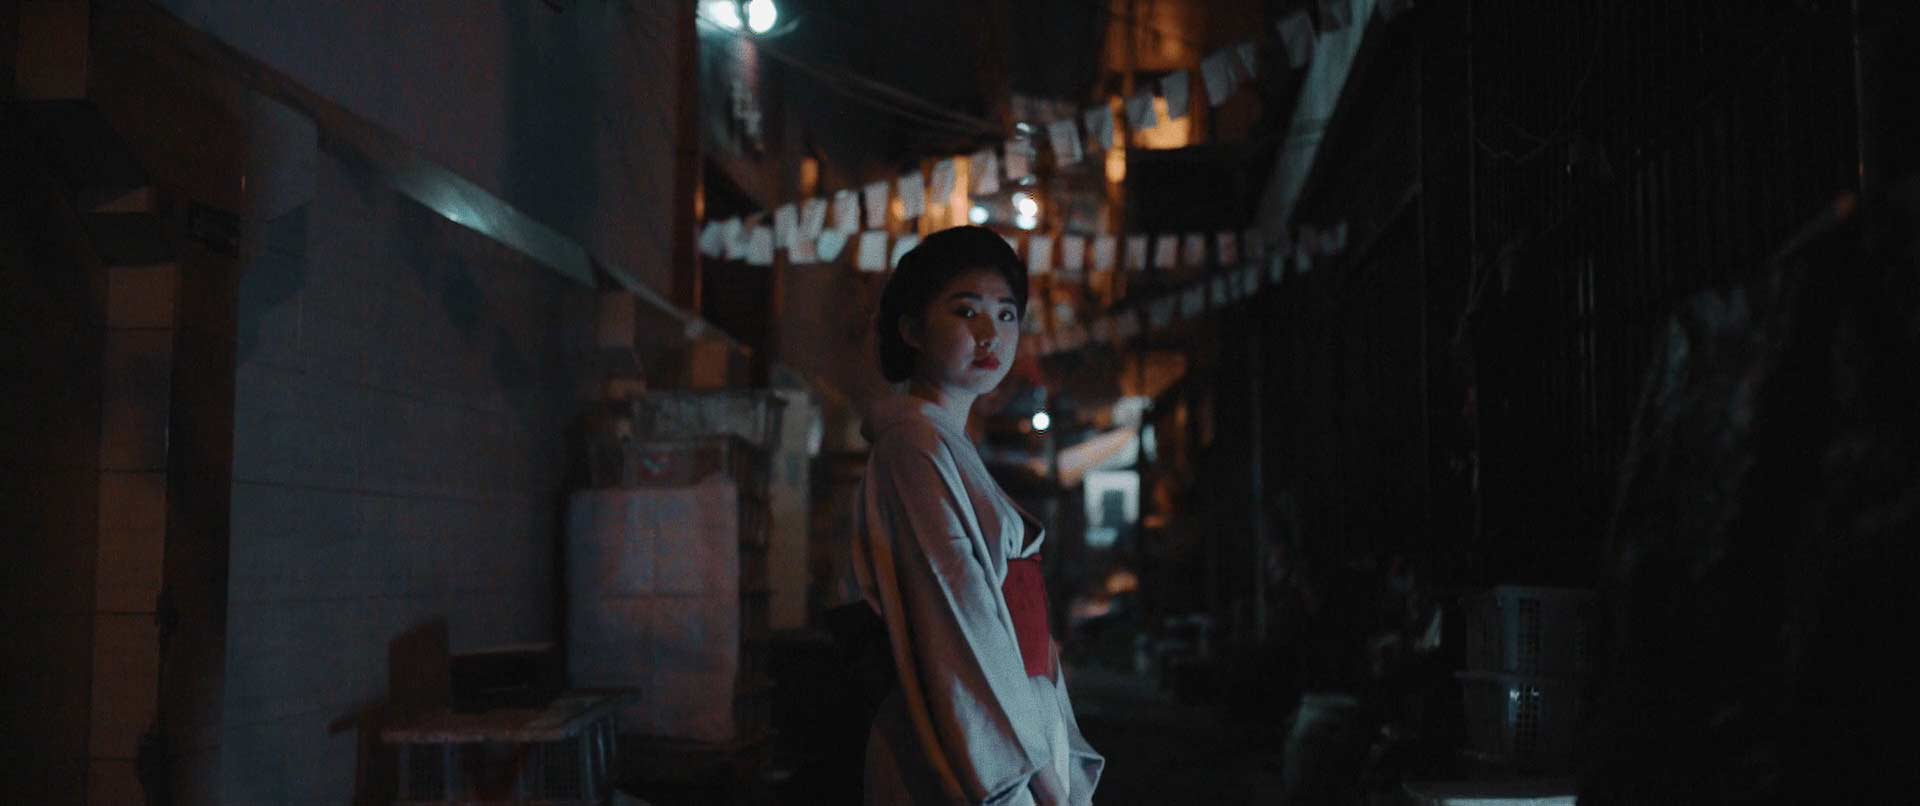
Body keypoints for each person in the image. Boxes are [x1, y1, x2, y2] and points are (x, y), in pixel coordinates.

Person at [845, 226, 1104, 805]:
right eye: (966, 311)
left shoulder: (945, 443)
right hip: (974, 742)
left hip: (1016, 721)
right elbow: (962, 617)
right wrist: (1037, 775)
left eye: (1006, 315)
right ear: (912, 329)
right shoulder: (914, 445)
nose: (991, 334)